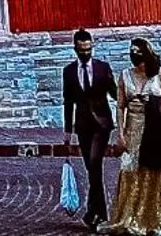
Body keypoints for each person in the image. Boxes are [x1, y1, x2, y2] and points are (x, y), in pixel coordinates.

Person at [110, 37, 161, 235]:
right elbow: (120, 106)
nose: (137, 58)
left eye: (140, 54)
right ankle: (132, 216)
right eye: (133, 53)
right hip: (133, 129)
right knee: (131, 170)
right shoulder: (125, 75)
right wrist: (120, 135)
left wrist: (152, 100)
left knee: (156, 170)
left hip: (156, 129)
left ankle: (159, 218)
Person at [62, 29, 117, 231]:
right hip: (83, 126)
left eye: (88, 49)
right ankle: (94, 212)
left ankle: (99, 213)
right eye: (81, 50)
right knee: (91, 167)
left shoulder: (103, 68)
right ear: (75, 49)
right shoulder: (68, 71)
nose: (85, 53)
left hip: (102, 124)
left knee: (95, 163)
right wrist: (67, 130)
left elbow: (115, 93)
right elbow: (68, 102)